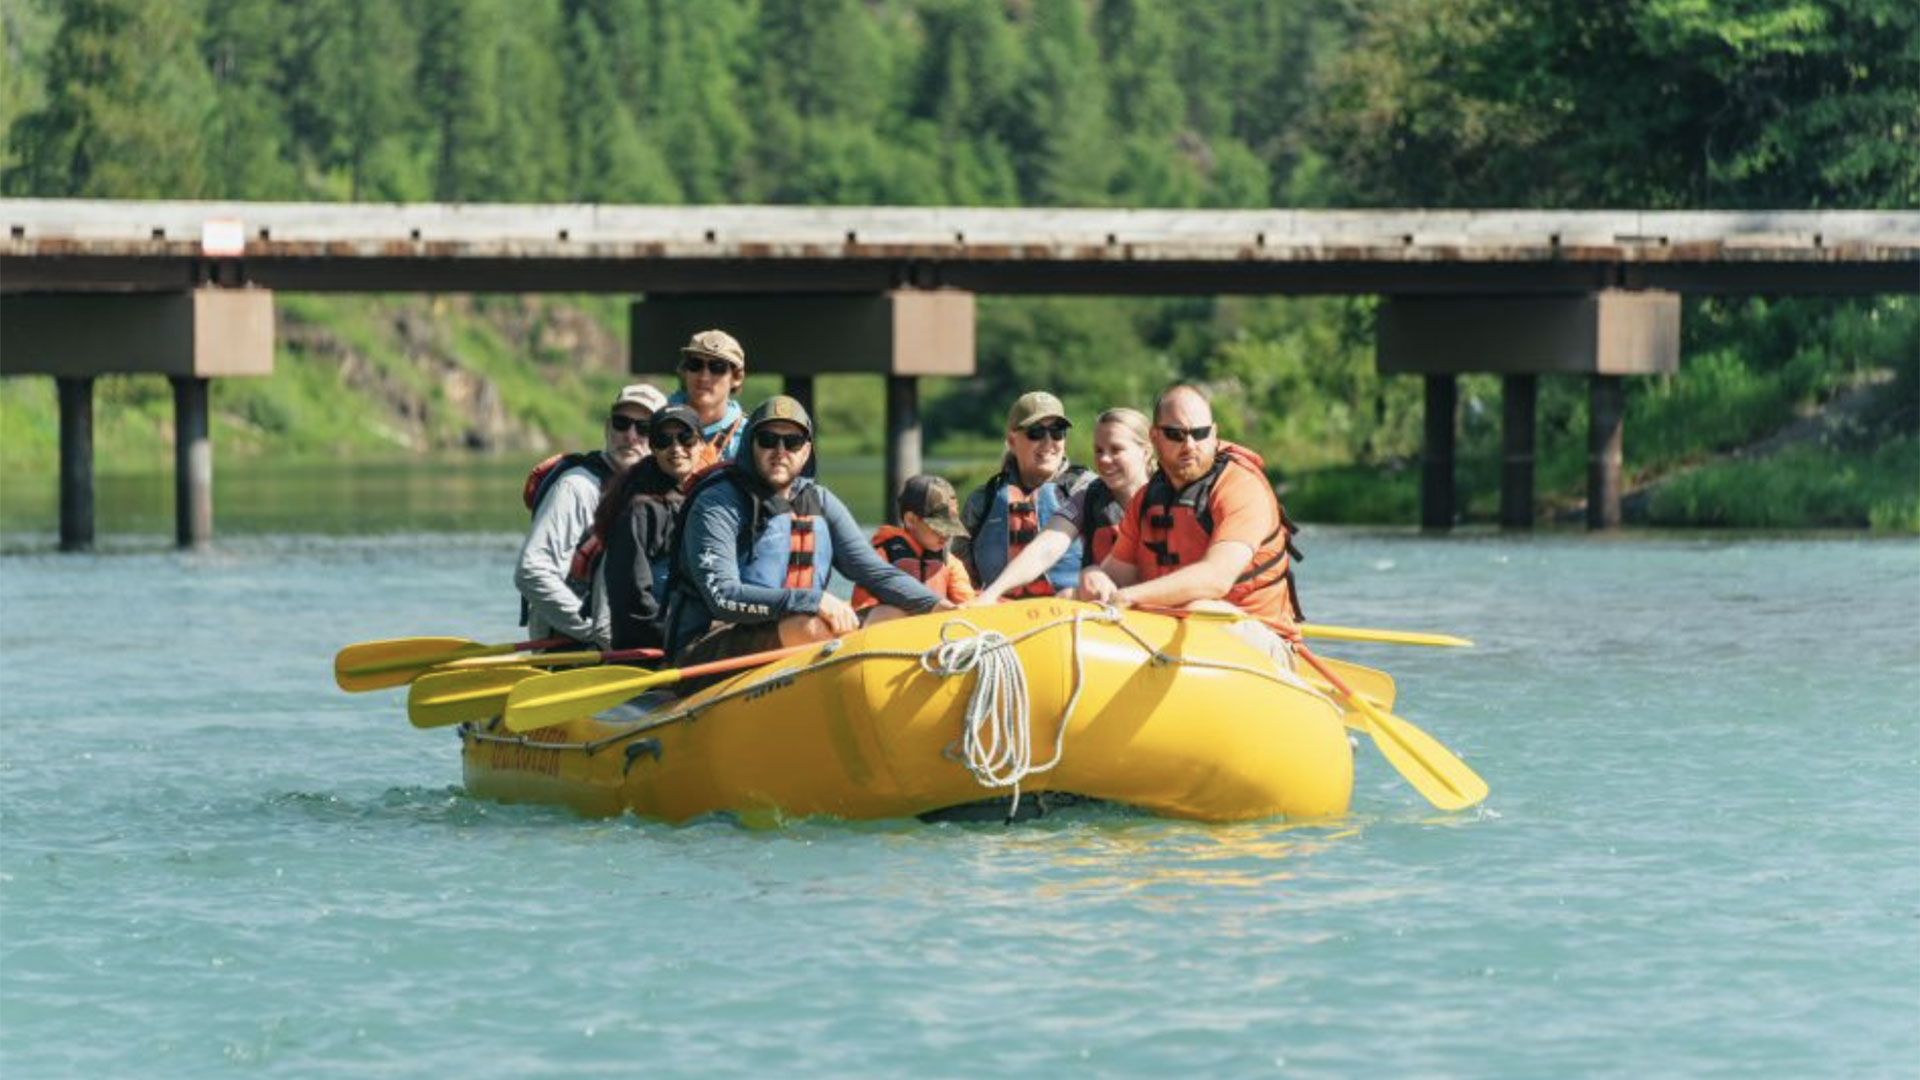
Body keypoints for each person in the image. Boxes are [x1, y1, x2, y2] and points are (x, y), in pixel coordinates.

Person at [663, 396, 954, 664]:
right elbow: (723, 597)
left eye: (792, 441)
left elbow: (877, 574)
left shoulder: (821, 502)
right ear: (750, 445)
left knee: (894, 615)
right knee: (810, 627)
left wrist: (938, 606)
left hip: (793, 632)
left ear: (806, 452)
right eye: (768, 439)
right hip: (707, 645)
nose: (779, 451)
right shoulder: (717, 502)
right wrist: (812, 600)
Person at [1078, 385, 1304, 669]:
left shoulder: (1241, 488)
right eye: (1176, 434)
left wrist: (1131, 596)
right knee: (1078, 599)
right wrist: (1094, 577)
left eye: (1200, 433)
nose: (1190, 445)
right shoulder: (1146, 500)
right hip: (1171, 638)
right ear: (1155, 437)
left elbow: (1215, 579)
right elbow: (1116, 578)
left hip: (1267, 648)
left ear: (1214, 432)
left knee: (1199, 612)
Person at [515, 383, 666, 648]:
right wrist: (594, 632)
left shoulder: (654, 490)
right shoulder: (576, 487)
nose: (630, 436)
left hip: (626, 641)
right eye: (622, 424)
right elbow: (531, 571)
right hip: (572, 650)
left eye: (644, 429)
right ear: (608, 429)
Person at [969, 408, 1153, 605]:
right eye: (1099, 451)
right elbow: (1045, 548)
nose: (1104, 460)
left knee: (1069, 594)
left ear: (1146, 452)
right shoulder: (1088, 498)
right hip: (1109, 613)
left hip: (1159, 612)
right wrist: (992, 593)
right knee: (1067, 596)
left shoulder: (1169, 498)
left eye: (1116, 450)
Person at [592, 404, 718, 654]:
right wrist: (678, 640)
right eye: (664, 439)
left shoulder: (709, 499)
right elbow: (632, 600)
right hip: (654, 651)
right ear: (652, 447)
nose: (676, 448)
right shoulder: (639, 510)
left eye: (686, 438)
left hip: (698, 636)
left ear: (702, 444)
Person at [953, 391, 1094, 599]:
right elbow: (960, 571)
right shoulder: (983, 501)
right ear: (1012, 440)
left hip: (1070, 609)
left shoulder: (1088, 489)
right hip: (1001, 612)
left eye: (1057, 432)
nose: (1048, 442)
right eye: (1036, 432)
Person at [852, 474, 978, 624]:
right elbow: (863, 611)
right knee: (891, 612)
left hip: (934, 636)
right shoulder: (881, 557)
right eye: (938, 527)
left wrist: (964, 608)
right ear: (911, 520)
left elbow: (969, 607)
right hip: (888, 635)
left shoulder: (950, 563)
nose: (946, 533)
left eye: (950, 527)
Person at [669, 329, 749, 459]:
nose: (704, 377)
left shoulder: (750, 437)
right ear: (684, 371)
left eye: (717, 367)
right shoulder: (655, 420)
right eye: (695, 365)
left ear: (736, 378)